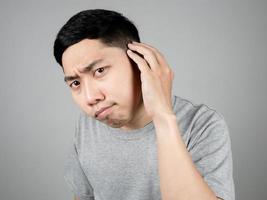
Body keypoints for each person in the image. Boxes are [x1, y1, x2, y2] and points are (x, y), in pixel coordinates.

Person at [53, 9, 235, 200]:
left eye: (99, 71)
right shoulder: (87, 126)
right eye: (75, 83)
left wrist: (163, 118)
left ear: (139, 61)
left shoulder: (202, 125)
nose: (90, 97)